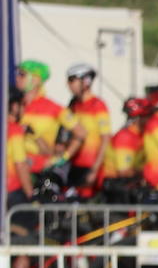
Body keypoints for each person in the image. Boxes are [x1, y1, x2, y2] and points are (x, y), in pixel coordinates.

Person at [60, 63, 110, 193]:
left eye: (72, 80)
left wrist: (95, 169)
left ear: (85, 81)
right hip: (73, 165)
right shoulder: (73, 105)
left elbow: (105, 139)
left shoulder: (98, 105)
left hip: (91, 166)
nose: (68, 85)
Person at [16, 60, 69, 175]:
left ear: (36, 80)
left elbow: (81, 132)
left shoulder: (53, 107)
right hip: (15, 168)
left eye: (22, 74)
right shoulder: (15, 103)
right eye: (18, 73)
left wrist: (63, 158)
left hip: (39, 170)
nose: (17, 78)